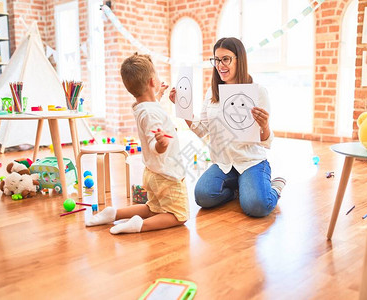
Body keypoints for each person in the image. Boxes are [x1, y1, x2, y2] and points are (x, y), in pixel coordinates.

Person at [169, 37, 286, 217]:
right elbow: (202, 130)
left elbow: (266, 142)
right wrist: (183, 109)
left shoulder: (258, 92)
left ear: (239, 60)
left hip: (250, 161)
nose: (220, 65)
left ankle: (275, 187)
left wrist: (265, 125)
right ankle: (238, 191)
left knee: (256, 206)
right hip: (223, 163)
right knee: (203, 196)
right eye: (216, 60)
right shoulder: (212, 93)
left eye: (226, 59)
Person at [85, 53, 189, 234]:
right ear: (151, 81)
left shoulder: (141, 106)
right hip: (167, 174)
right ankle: (138, 225)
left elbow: (150, 106)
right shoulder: (151, 114)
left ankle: (113, 214)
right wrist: (161, 145)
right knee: (179, 215)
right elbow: (152, 143)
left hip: (153, 173)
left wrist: (158, 94)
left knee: (152, 209)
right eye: (155, 75)